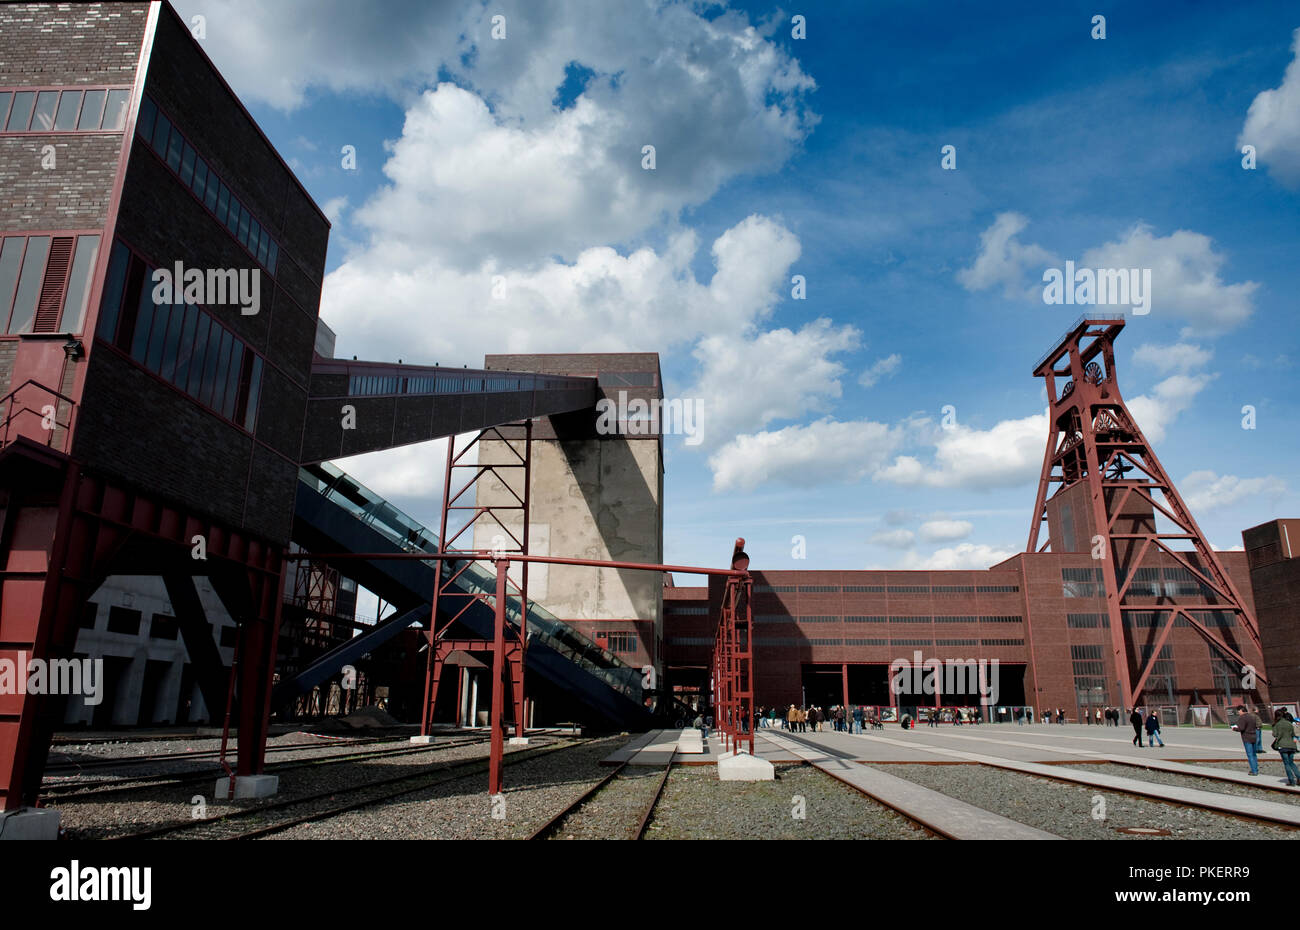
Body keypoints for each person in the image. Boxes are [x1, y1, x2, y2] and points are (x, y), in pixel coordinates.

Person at [1271, 708, 1299, 787]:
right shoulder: (1289, 723)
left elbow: (1275, 734)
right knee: (1292, 763)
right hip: (1292, 745)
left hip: (1282, 745)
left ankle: (1291, 781)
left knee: (1286, 764)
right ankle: (1299, 777)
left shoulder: (1276, 724)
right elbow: (1293, 734)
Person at [1232, 704, 1262, 775]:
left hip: (1247, 737)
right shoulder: (1252, 716)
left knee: (1250, 755)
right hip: (1254, 736)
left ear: (1241, 710)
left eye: (1238, 711)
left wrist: (1234, 728)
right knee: (1254, 754)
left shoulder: (1242, 718)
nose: (1238, 713)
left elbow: (1241, 728)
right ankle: (1255, 768)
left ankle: (1254, 771)